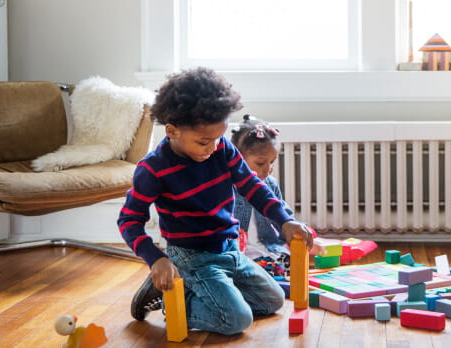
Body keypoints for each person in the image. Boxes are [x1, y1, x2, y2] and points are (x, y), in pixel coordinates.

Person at [117, 67, 314, 336]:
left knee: (273, 300)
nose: (212, 148)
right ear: (173, 131)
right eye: (203, 141)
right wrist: (156, 259)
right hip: (193, 256)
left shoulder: (222, 148)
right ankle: (170, 298)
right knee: (236, 321)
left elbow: (253, 187)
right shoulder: (153, 169)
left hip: (230, 249)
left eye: (217, 138)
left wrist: (285, 220)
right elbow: (129, 220)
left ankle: (193, 289)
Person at [230, 115, 305, 278]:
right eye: (260, 163)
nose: (268, 169)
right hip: (241, 253)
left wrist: (299, 235)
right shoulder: (226, 188)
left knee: (297, 267)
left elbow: (283, 218)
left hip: (269, 248)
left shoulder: (270, 183)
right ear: (238, 159)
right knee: (258, 273)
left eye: (272, 162)